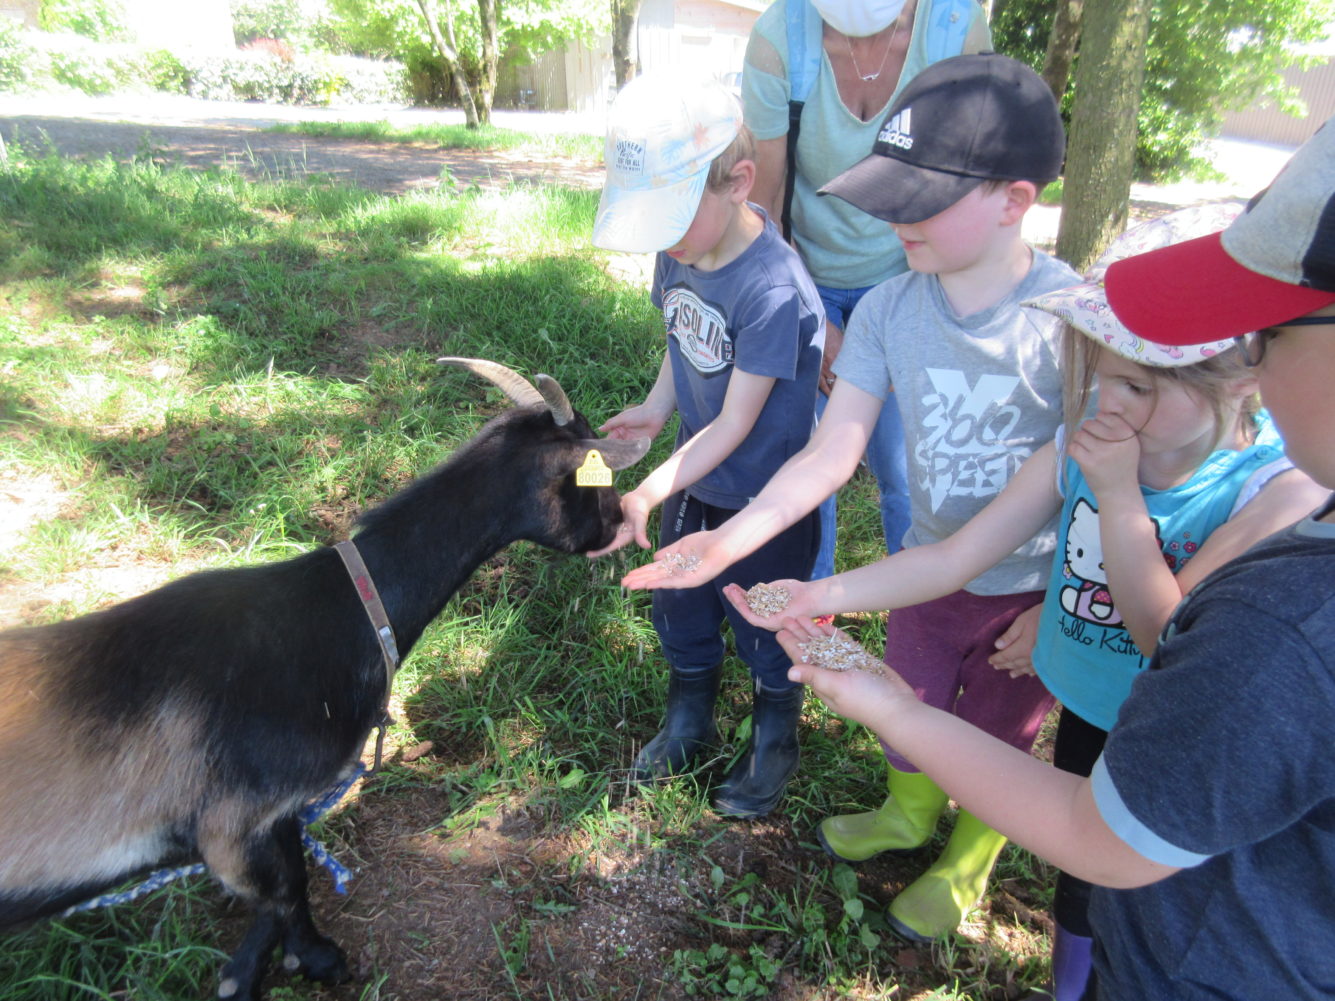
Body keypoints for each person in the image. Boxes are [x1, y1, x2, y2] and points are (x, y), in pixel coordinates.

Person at [775, 118, 1335, 1001]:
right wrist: (819, 591)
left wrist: (1115, 497)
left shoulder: (1273, 499)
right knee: (1093, 886)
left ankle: (1053, 961)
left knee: (1098, 875)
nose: (1106, 404)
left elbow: (1164, 632)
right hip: (1086, 689)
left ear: (1239, 380)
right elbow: (958, 552)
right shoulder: (1084, 441)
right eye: (1098, 375)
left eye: (1141, 386)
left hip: (1149, 720)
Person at [623, 53, 1079, 940]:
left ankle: (965, 861)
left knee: (995, 733)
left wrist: (1063, 602)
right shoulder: (884, 311)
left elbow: (1102, 486)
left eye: (920, 199)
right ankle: (907, 813)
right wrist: (726, 541)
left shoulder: (1071, 322)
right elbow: (831, 451)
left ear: (1012, 200)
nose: (888, 217)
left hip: (1030, 589)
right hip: (925, 569)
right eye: (886, 191)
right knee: (902, 701)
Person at [588, 72, 825, 819]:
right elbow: (678, 340)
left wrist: (646, 488)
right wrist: (657, 411)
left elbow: (734, 424)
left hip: (765, 500)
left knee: (764, 626)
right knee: (680, 606)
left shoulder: (772, 289)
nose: (663, 237)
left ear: (737, 183)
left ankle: (773, 733)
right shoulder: (679, 247)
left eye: (671, 214)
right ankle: (689, 714)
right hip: (697, 476)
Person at [742, 0, 991, 576]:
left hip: (914, 278)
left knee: (909, 471)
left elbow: (967, 191)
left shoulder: (954, 29)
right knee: (809, 464)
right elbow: (767, 205)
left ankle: (918, 608)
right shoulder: (779, 40)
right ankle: (812, 619)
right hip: (807, 272)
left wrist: (919, 313)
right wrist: (811, 316)